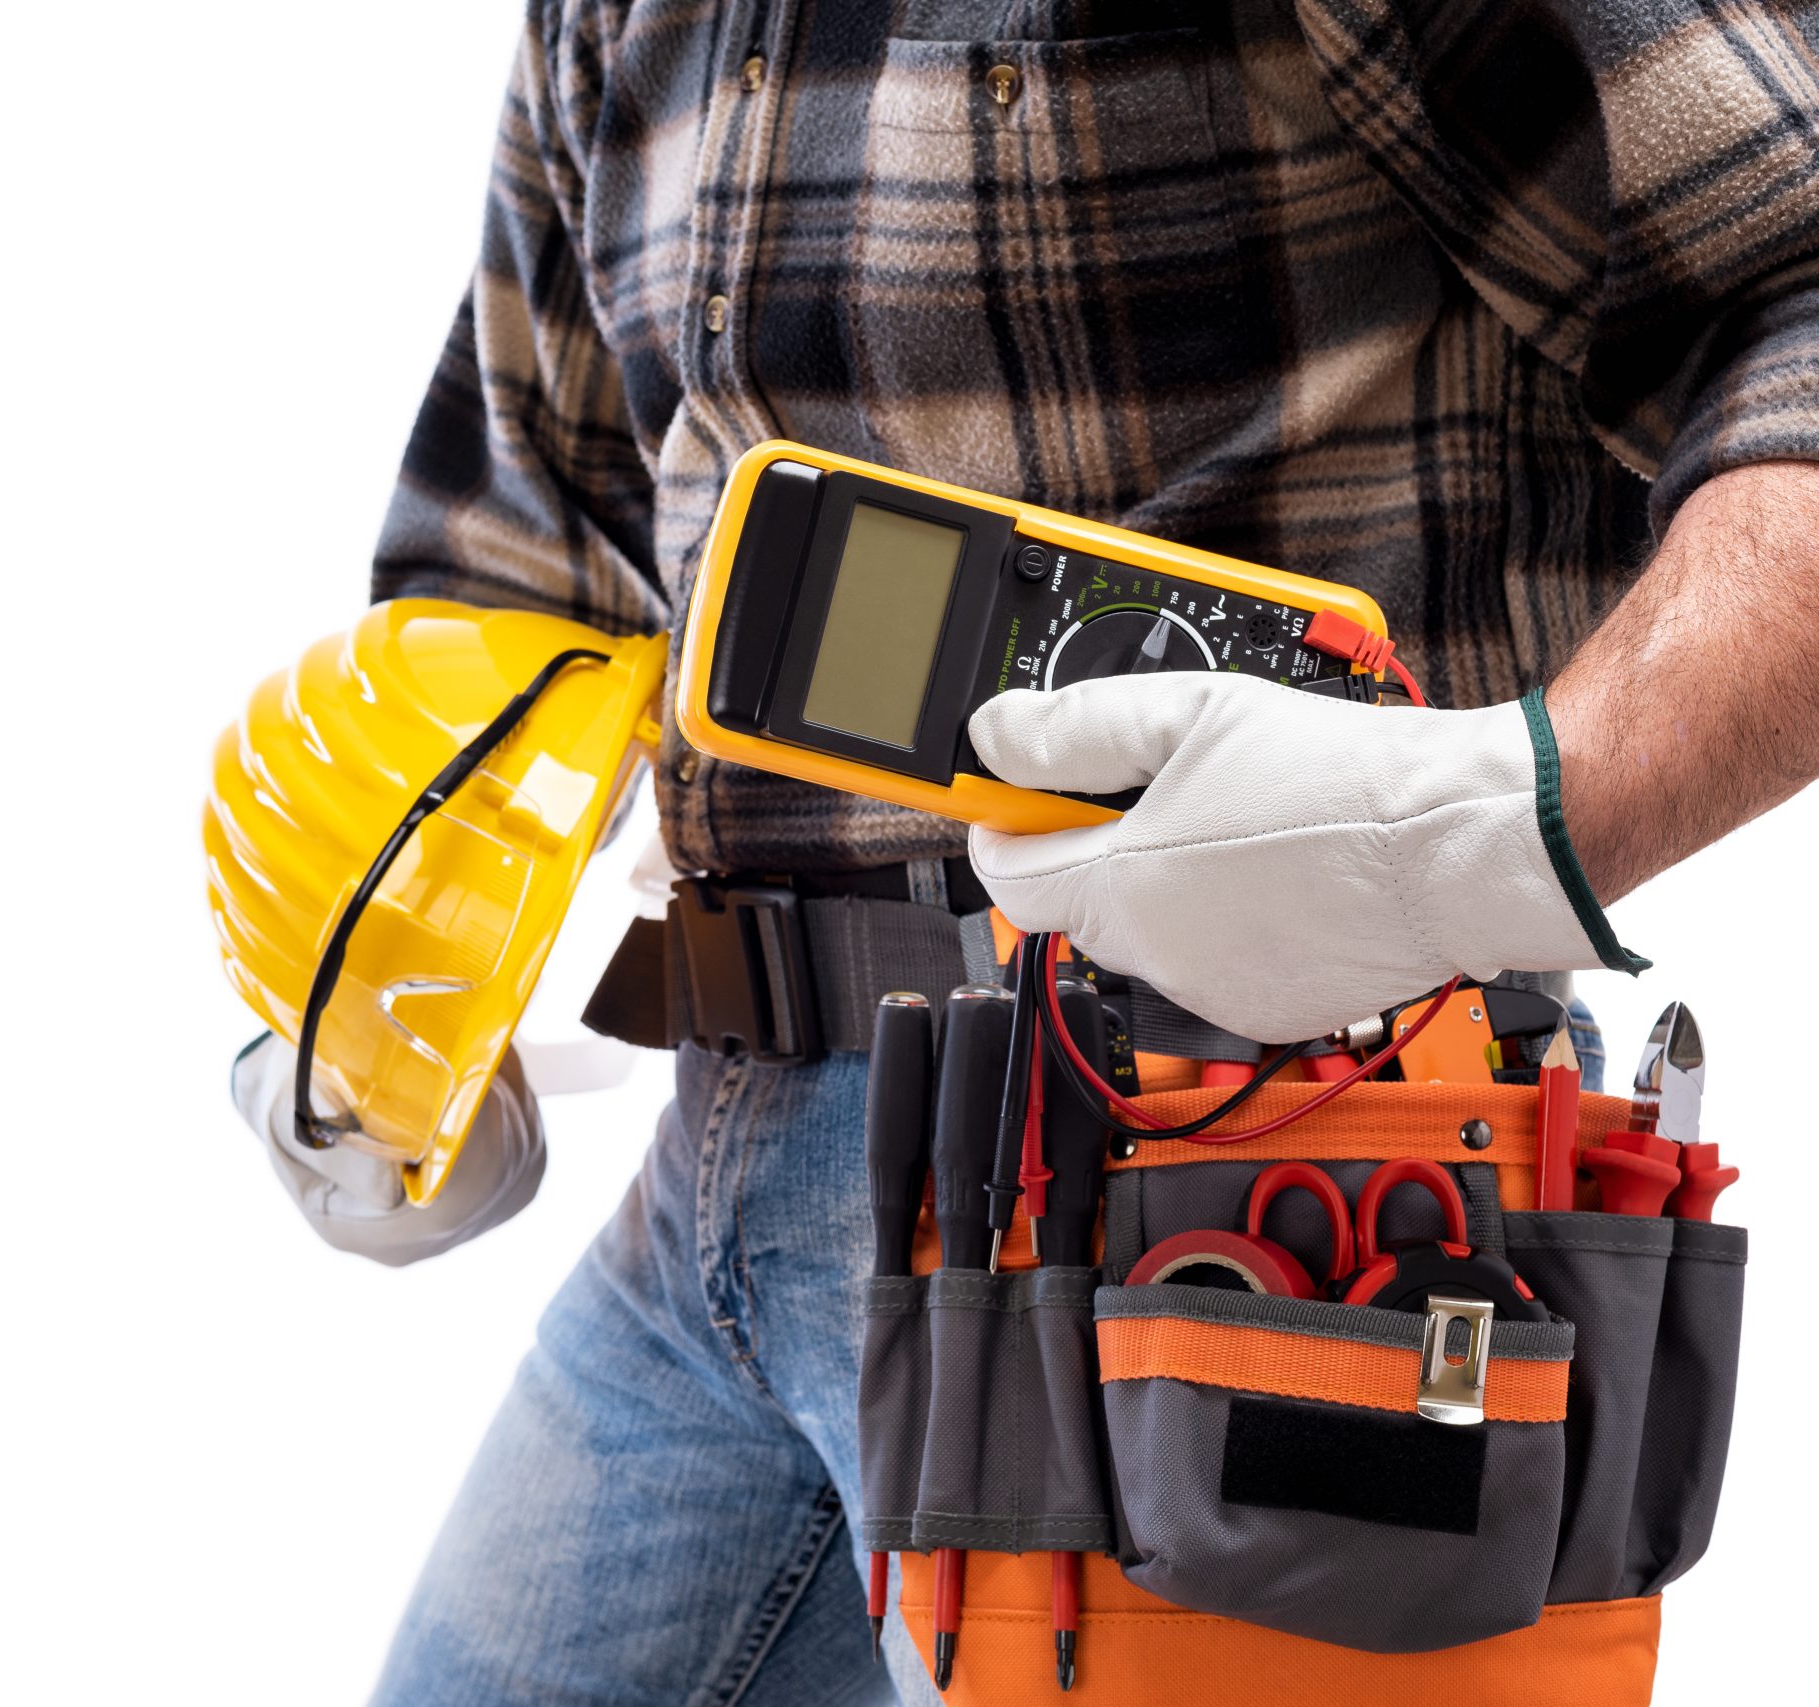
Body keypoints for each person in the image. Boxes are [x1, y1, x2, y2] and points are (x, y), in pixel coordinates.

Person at [276, 3, 1819, 1701]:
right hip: (720, 1164)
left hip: (1239, 1150)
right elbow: (522, 554)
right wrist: (368, 983)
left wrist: (1492, 831)